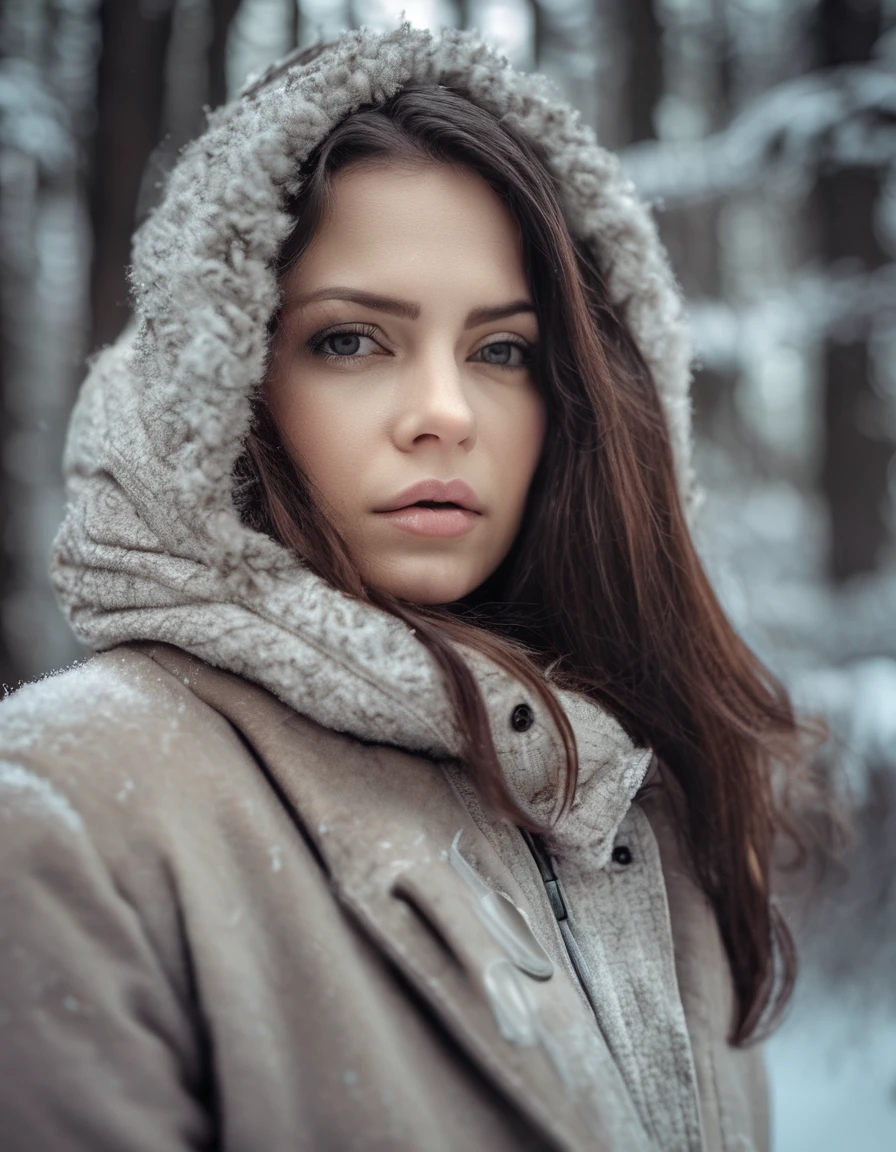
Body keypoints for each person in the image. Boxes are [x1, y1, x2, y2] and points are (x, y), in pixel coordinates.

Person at [0, 24, 809, 1152]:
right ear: (225, 375)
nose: (446, 411)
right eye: (350, 341)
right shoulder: (63, 811)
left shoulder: (645, 808)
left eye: (501, 351)